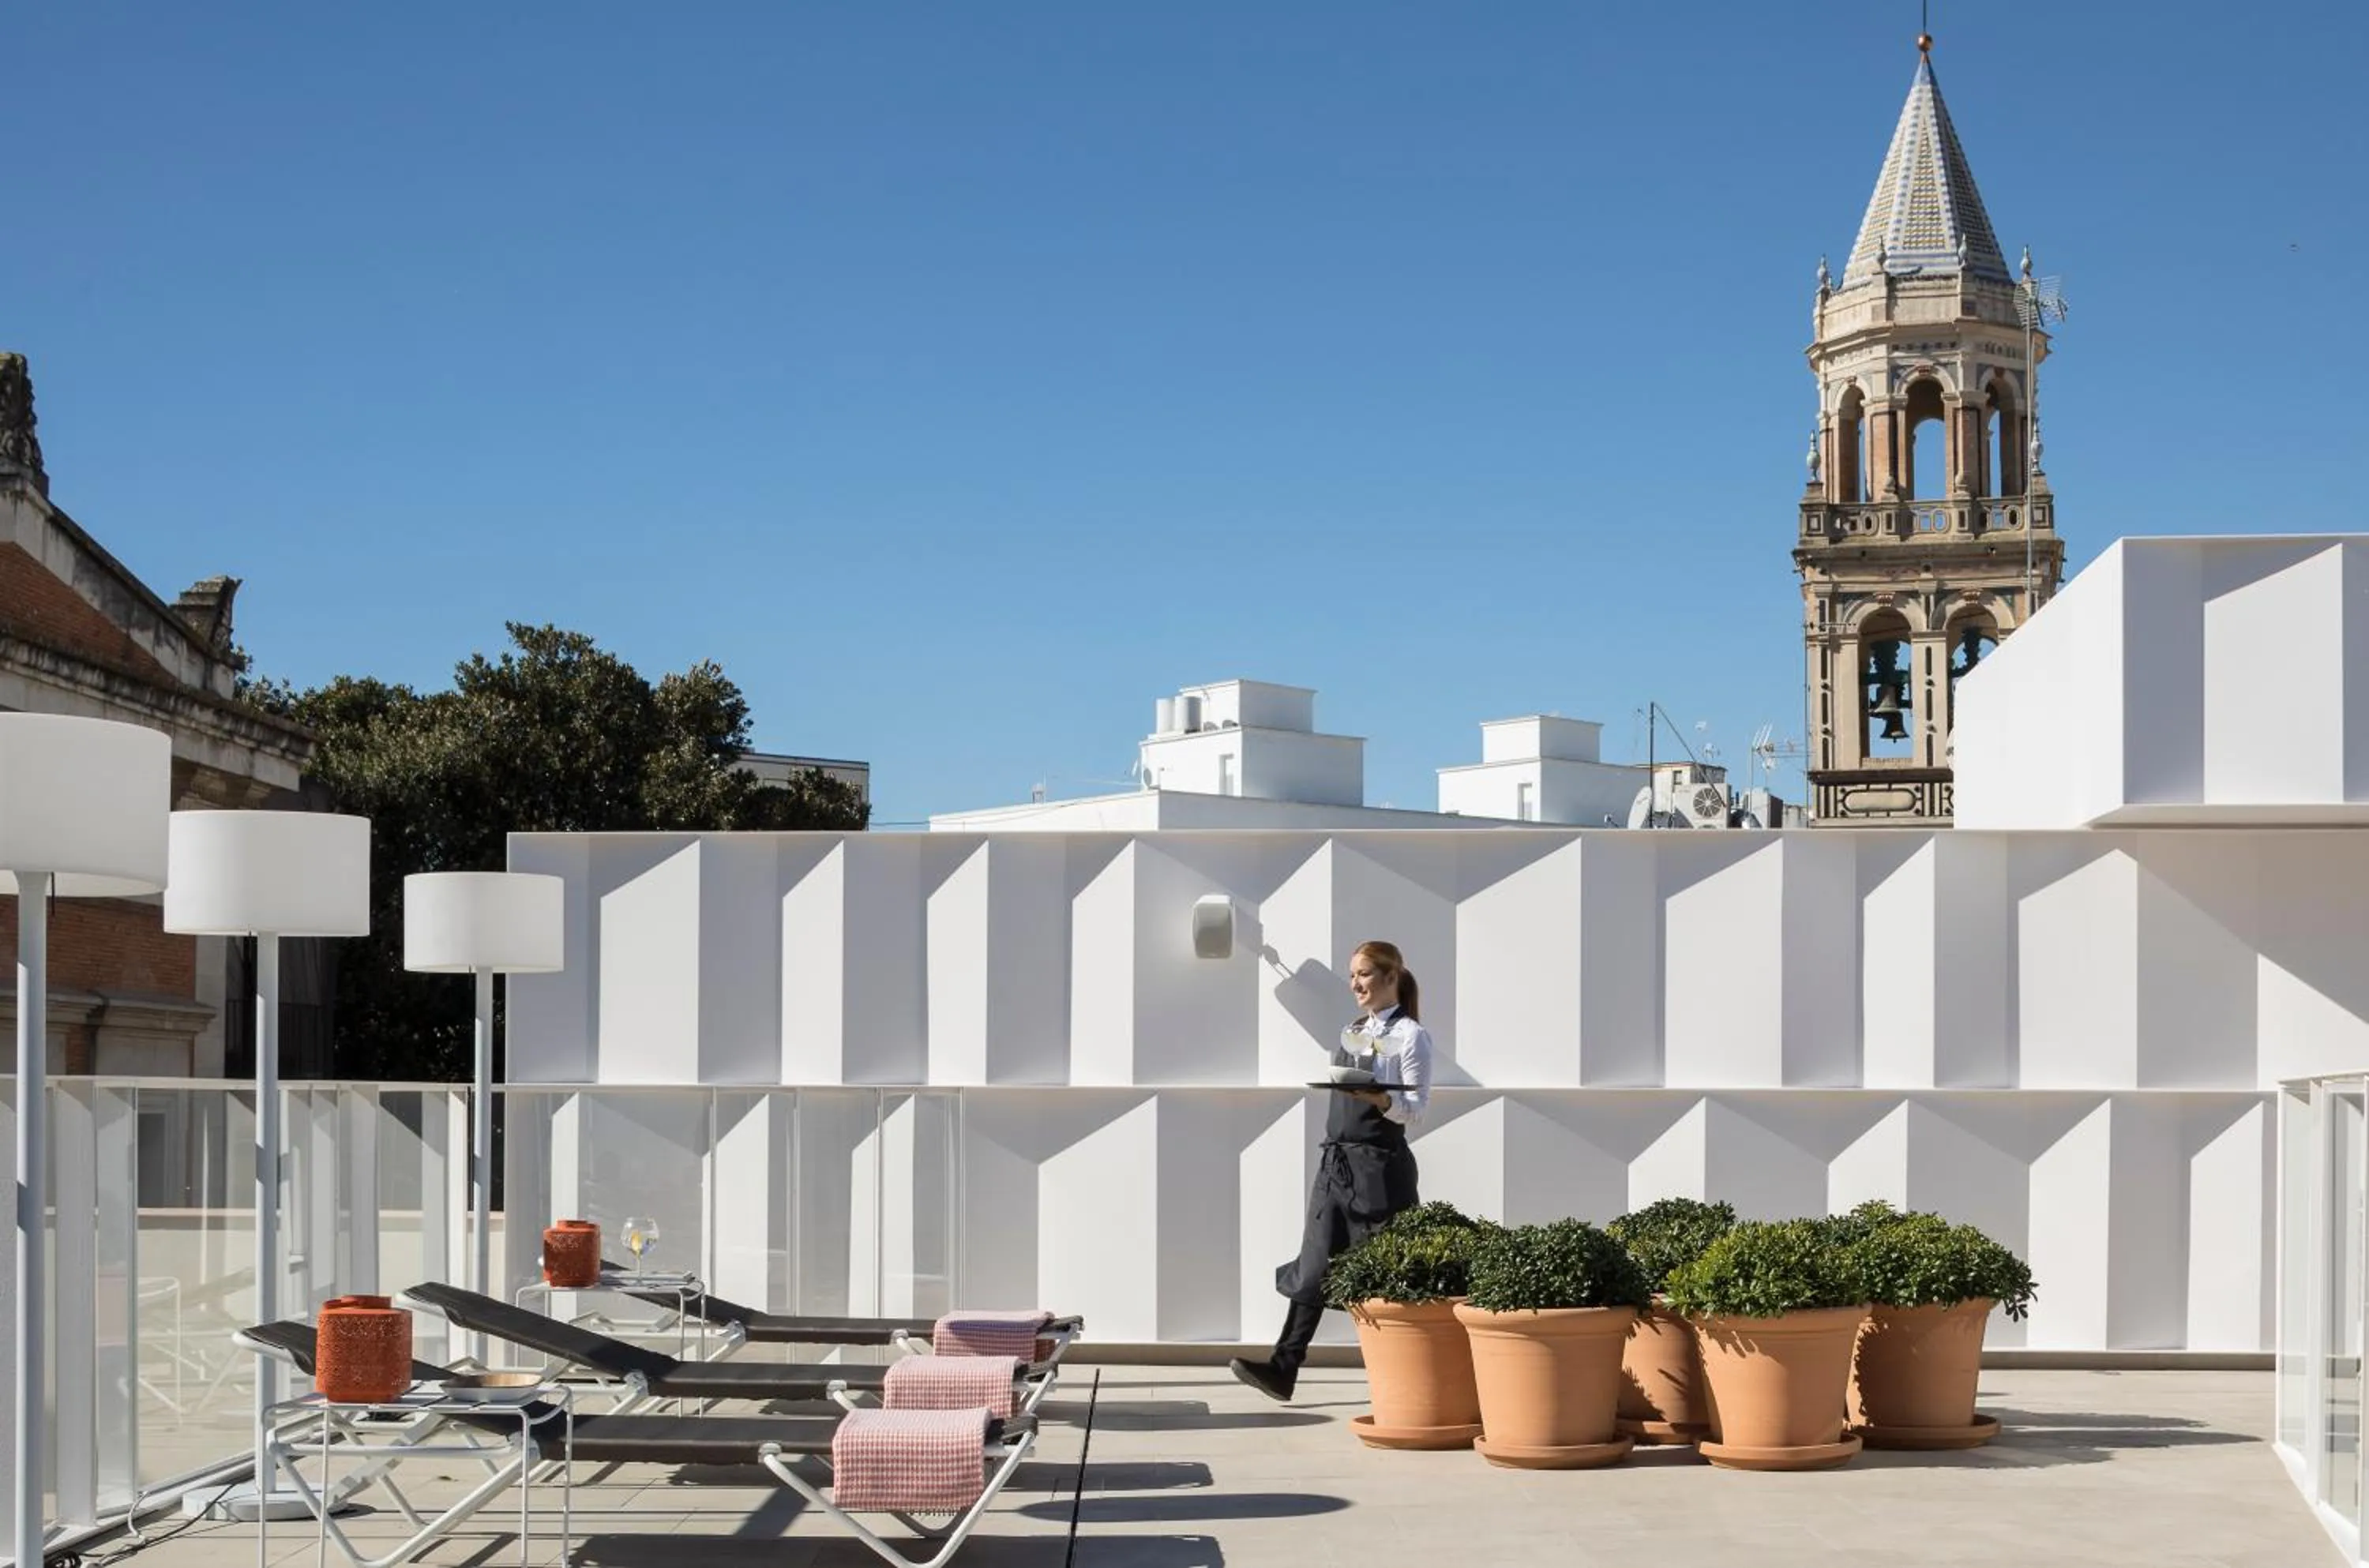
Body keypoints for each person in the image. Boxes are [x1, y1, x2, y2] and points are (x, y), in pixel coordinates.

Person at [1230, 939, 1432, 1402]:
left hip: (1380, 1170)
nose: (1355, 983)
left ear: (1391, 977)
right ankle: (1283, 1368)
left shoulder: (1411, 1036)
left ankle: (1412, 1378)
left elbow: (1417, 1109)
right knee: (1315, 1261)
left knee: (1388, 1273)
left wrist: (1380, 1099)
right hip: (1336, 1163)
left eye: (1364, 974)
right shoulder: (1353, 1030)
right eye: (1352, 975)